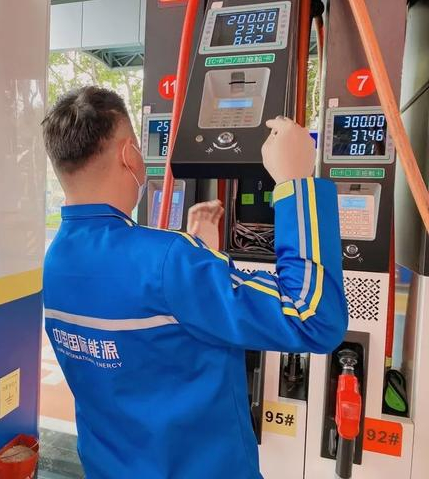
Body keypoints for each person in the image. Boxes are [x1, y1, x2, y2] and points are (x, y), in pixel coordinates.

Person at [40, 86, 348, 478]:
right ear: (129, 155)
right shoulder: (169, 260)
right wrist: (295, 182)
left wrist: (199, 259)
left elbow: (142, 347)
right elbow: (312, 316)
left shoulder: (57, 260)